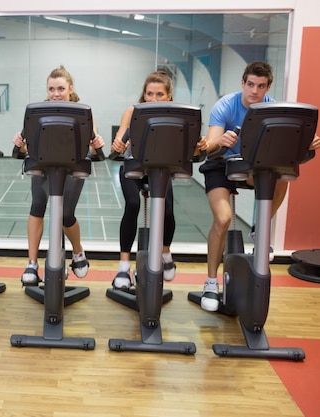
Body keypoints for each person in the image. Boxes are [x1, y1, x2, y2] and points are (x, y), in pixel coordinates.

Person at [197, 61, 320, 312]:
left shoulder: (273, 109)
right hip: (220, 164)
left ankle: (259, 229)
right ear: (243, 83)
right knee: (223, 219)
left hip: (253, 166)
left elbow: (284, 150)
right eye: (250, 84)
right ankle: (211, 283)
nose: (254, 91)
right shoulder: (226, 105)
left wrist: (305, 146)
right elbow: (209, 146)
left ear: (268, 87)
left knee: (284, 175)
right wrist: (219, 140)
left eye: (260, 86)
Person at [13, 65, 105, 284]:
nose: (56, 93)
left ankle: (78, 252)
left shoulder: (83, 112)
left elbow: (92, 150)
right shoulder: (37, 112)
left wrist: (97, 145)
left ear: (70, 89)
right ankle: (32, 264)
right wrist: (20, 145)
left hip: (72, 169)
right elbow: (25, 148)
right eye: (51, 89)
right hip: (44, 168)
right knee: (37, 207)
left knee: (66, 215)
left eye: (60, 88)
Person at [110, 71, 177, 289]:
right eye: (149, 94)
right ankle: (123, 266)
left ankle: (166, 253)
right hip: (133, 165)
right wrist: (118, 144)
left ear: (168, 96)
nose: (153, 99)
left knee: (167, 209)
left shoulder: (175, 115)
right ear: (144, 94)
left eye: (159, 94)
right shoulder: (132, 111)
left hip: (160, 167)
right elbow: (120, 136)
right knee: (132, 204)